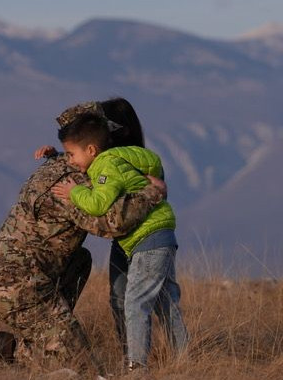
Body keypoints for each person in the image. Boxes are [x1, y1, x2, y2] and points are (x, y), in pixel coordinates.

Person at [0, 103, 167, 376]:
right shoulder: (72, 181)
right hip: (14, 285)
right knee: (82, 367)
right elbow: (112, 223)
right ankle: (27, 341)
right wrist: (151, 193)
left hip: (15, 276)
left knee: (80, 260)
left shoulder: (62, 165)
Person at [50, 107, 189, 371]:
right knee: (166, 302)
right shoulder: (117, 159)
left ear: (91, 150)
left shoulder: (105, 165)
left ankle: (136, 367)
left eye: (71, 154)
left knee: (136, 301)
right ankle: (184, 359)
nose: (69, 161)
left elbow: (99, 203)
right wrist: (53, 155)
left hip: (147, 238)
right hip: (162, 233)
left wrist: (74, 191)